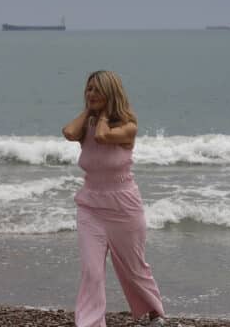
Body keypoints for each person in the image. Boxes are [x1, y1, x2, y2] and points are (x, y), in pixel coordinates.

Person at [62, 70, 166, 327]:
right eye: (88, 90)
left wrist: (105, 113)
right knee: (91, 271)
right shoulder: (86, 124)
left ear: (111, 93)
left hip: (124, 208)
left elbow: (103, 136)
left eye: (97, 90)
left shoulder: (128, 127)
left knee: (134, 270)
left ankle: (154, 312)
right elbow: (68, 132)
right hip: (90, 208)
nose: (91, 94)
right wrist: (90, 110)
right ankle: (89, 322)